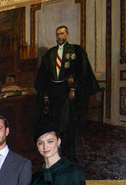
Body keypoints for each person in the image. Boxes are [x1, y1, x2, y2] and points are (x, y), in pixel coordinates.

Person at [34, 25, 100, 161]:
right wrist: (46, 94)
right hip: (53, 92)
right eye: (57, 34)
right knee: (55, 123)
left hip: (67, 91)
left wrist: (74, 88)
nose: (59, 36)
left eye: (62, 34)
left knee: (68, 124)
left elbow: (82, 72)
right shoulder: (50, 54)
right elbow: (44, 77)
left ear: (67, 34)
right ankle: (56, 154)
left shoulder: (76, 51)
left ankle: (70, 155)